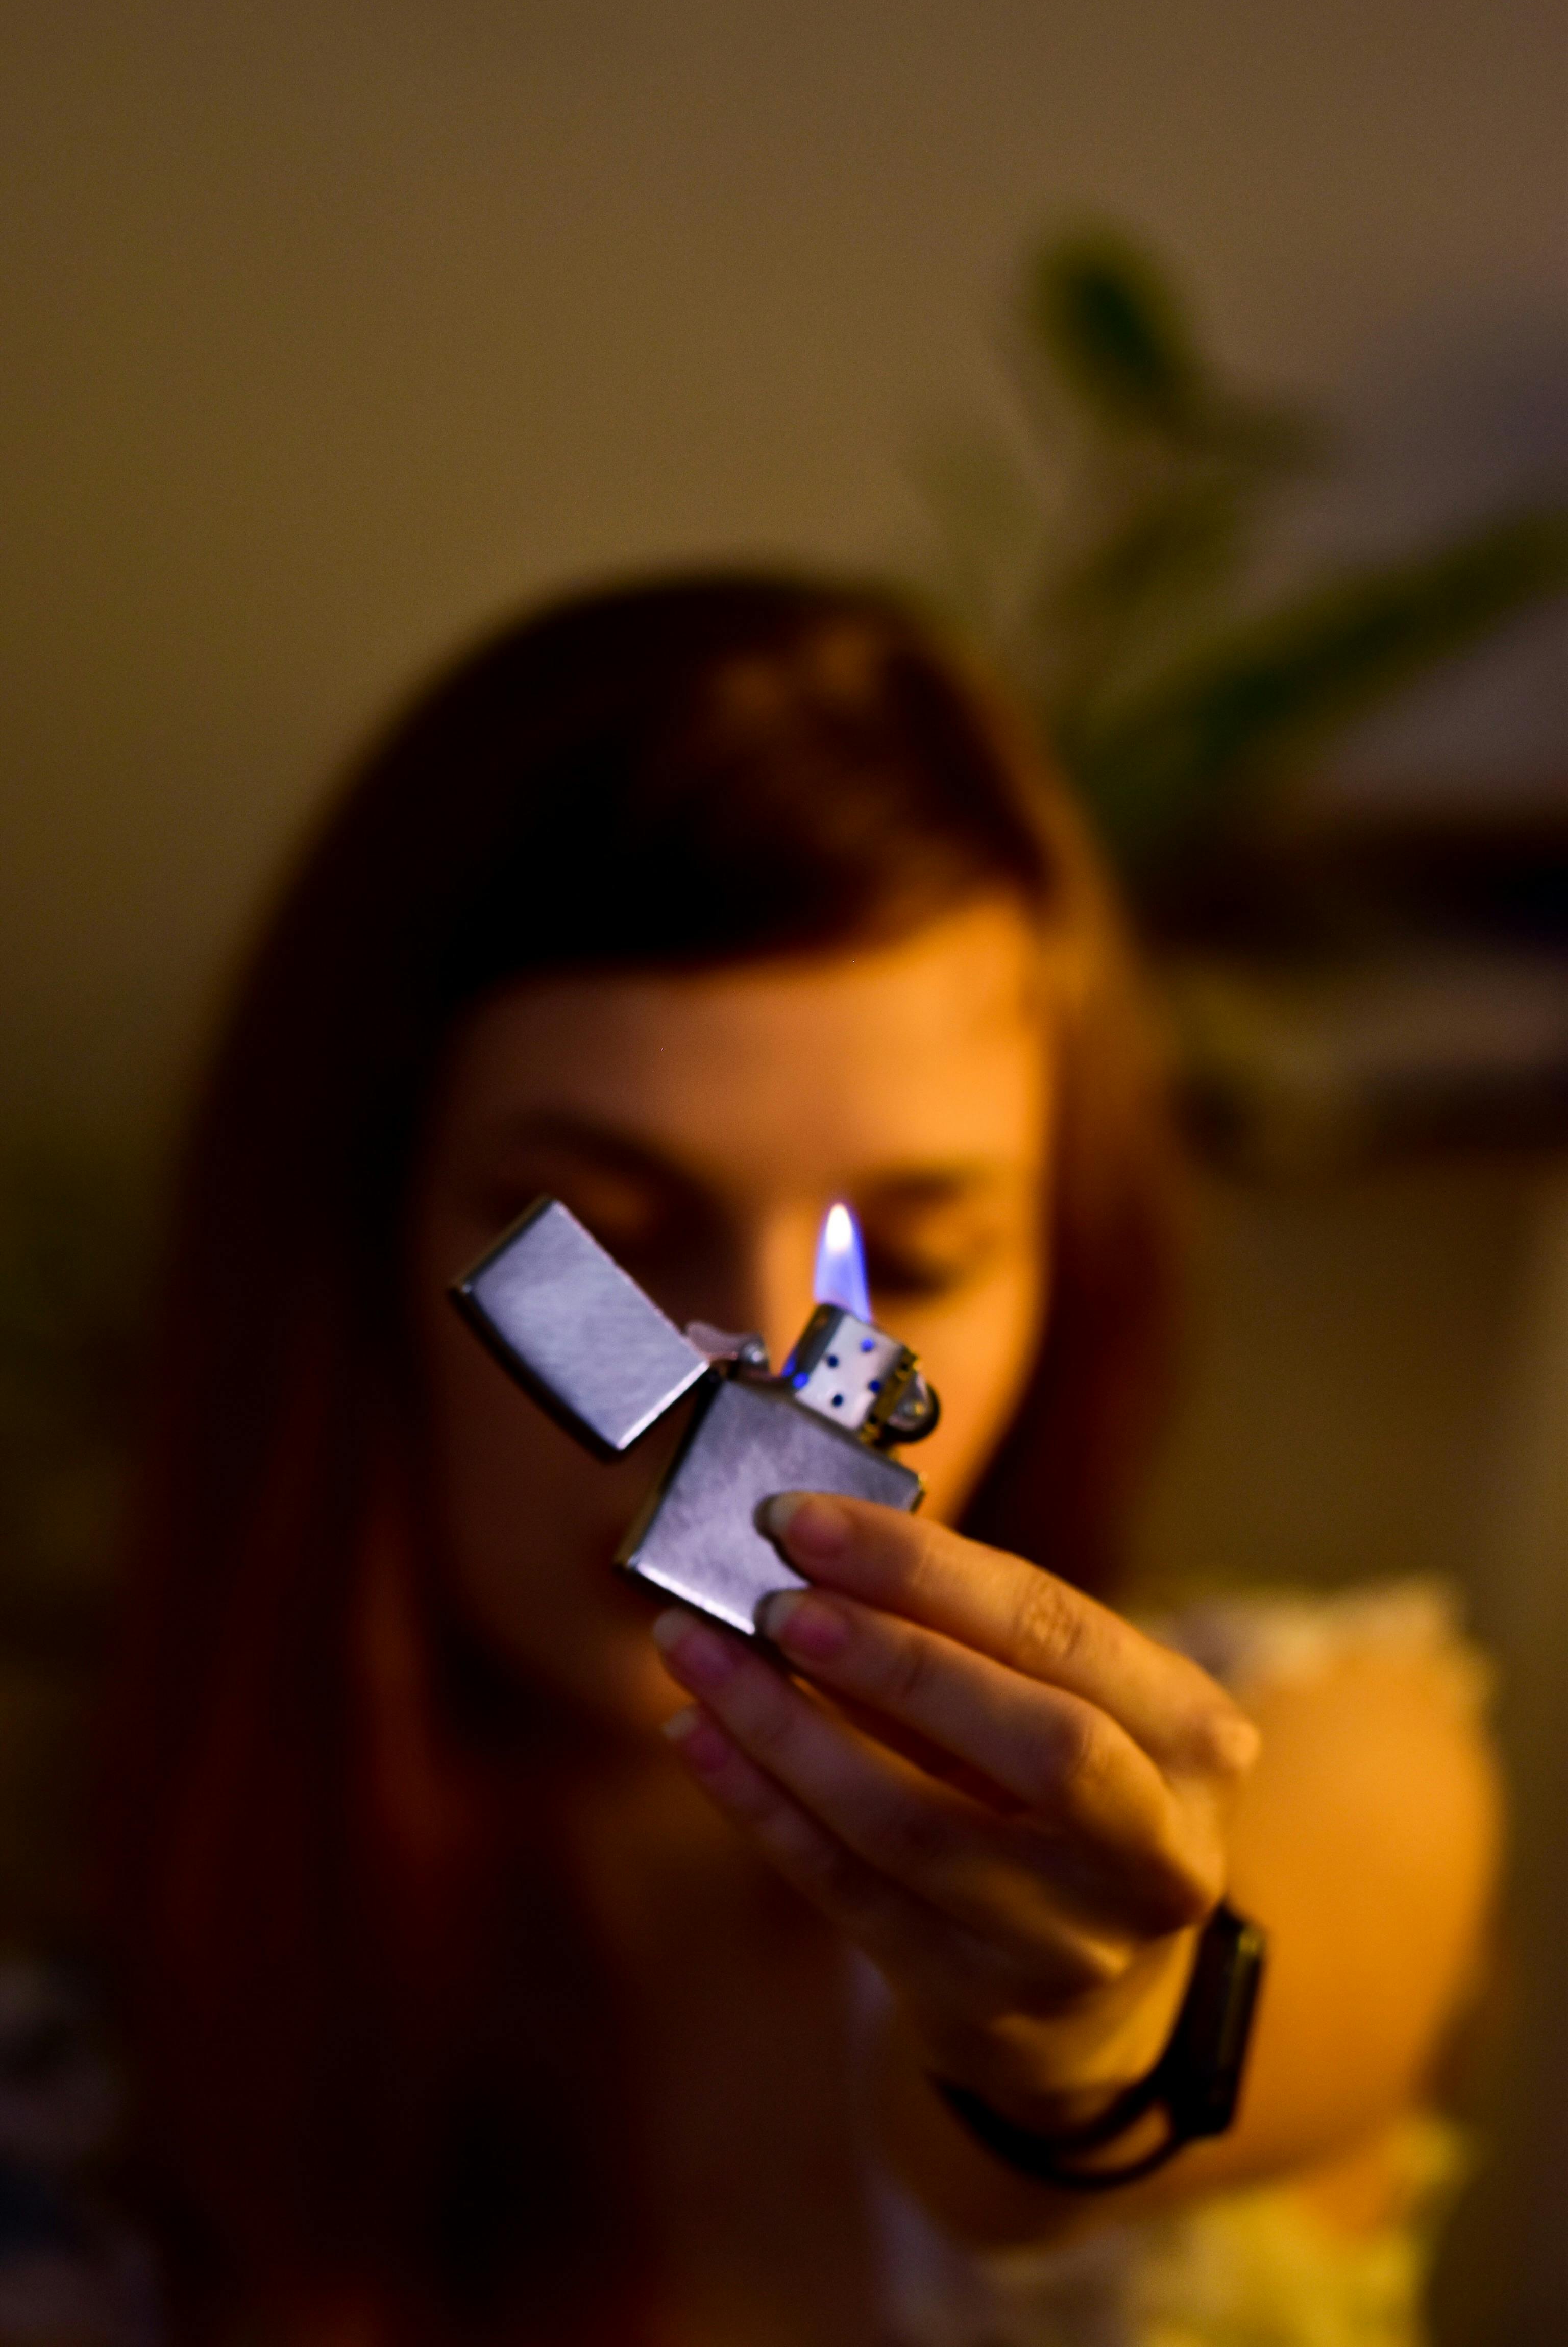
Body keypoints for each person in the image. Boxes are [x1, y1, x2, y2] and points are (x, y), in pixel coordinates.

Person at [104, 574, 1500, 2346]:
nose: (751, 1380)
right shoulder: (97, 2030)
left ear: (1067, 1268)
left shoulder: (1324, 1747)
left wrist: (1083, 2036)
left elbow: (1056, 2135)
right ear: (356, 1238)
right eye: (610, 1231)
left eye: (912, 1265)